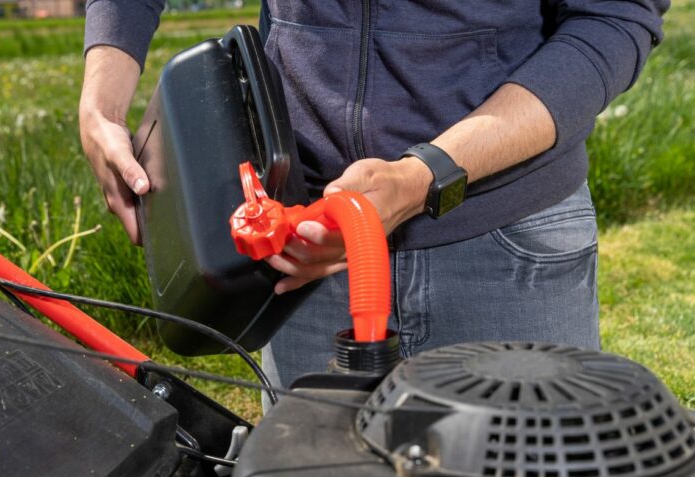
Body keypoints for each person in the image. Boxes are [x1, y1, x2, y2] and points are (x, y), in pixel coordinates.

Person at [79, 1, 669, 390]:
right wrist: (100, 99)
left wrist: (424, 175)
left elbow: (612, 17)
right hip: (306, 246)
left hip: (509, 248)